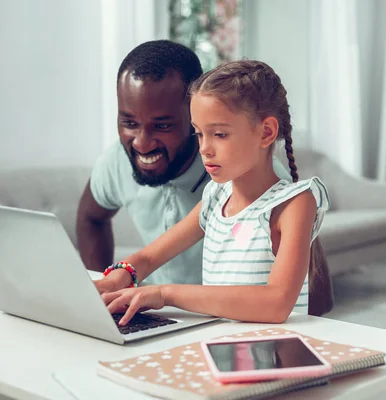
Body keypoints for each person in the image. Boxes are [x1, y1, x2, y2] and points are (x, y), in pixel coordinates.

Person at [97, 60, 330, 325]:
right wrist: (119, 276)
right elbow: (149, 257)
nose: (205, 149)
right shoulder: (216, 197)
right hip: (218, 346)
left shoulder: (294, 204)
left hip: (274, 352)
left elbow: (275, 304)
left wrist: (165, 293)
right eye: (198, 134)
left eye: (219, 134)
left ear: (266, 132)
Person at [76, 40, 289, 285]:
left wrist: (166, 295)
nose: (142, 145)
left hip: (237, 319)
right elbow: (103, 227)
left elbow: (297, 295)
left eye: (163, 125)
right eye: (130, 123)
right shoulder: (212, 198)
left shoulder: (256, 179)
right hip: (166, 313)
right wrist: (106, 289)